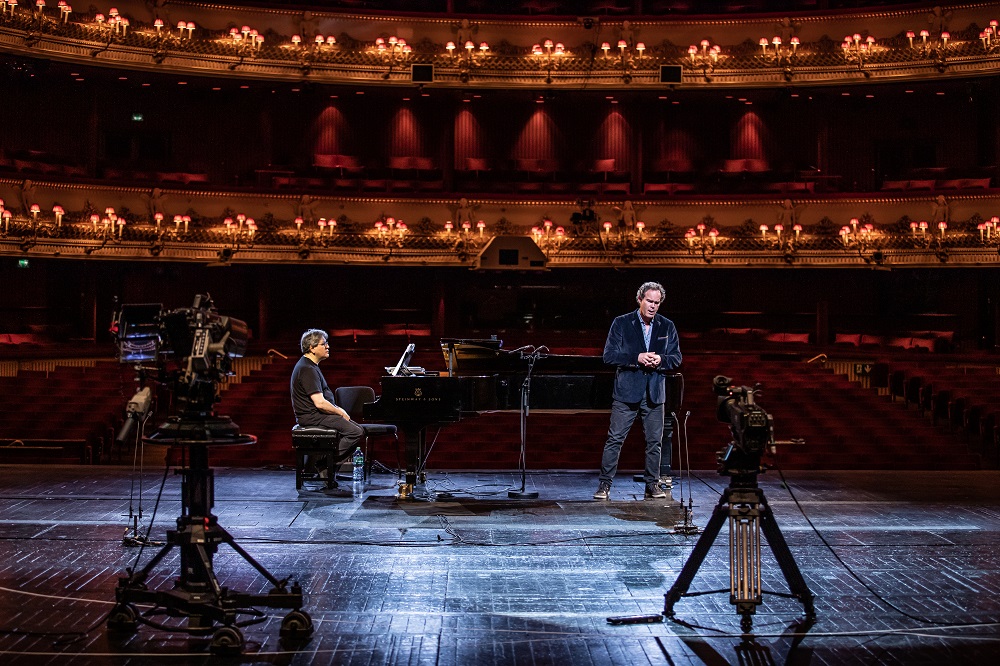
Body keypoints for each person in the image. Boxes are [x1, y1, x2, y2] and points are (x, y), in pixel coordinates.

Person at [594, 282, 682, 501]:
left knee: (655, 441)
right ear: (640, 300)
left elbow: (677, 358)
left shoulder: (667, 326)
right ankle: (605, 485)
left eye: (656, 303)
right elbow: (609, 356)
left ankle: (652, 483)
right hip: (627, 391)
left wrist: (661, 359)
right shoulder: (621, 323)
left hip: (654, 392)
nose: (652, 306)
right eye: (649, 301)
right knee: (615, 439)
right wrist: (637, 358)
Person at [290, 328, 364, 493]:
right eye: (324, 344)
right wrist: (340, 411)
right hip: (313, 417)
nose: (328, 347)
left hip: (315, 416)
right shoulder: (307, 369)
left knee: (354, 430)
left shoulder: (309, 366)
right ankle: (324, 464)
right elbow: (320, 403)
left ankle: (327, 467)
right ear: (312, 348)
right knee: (355, 431)